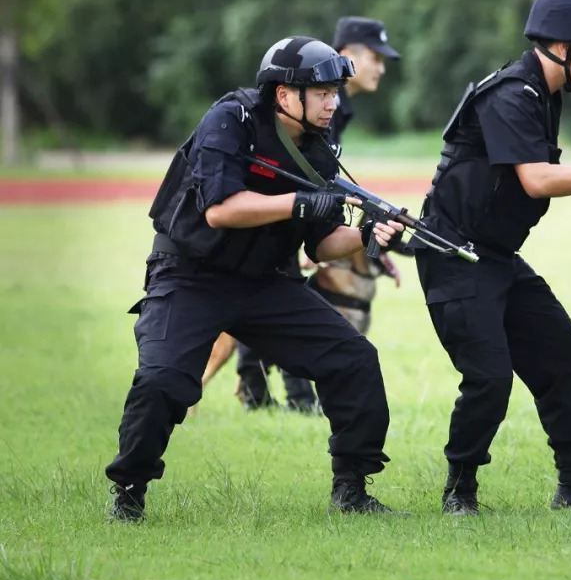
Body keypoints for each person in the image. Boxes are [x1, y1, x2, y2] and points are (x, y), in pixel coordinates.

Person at [105, 35, 405, 522]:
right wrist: (300, 202)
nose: (334, 102)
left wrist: (368, 234)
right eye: (323, 93)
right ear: (286, 95)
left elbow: (321, 245)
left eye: (335, 92)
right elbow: (222, 210)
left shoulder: (321, 147)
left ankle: (352, 491)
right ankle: (129, 493)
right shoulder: (230, 120)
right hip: (189, 275)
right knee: (163, 380)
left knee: (354, 360)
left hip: (266, 283)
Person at [410, 0, 571, 515]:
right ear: (563, 44)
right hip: (454, 254)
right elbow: (537, 179)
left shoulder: (545, 94)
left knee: (561, 353)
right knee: (490, 376)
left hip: (495, 255)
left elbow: (538, 174)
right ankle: (460, 491)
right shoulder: (513, 94)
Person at [223, 17, 405, 410]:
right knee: (264, 299)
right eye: (375, 56)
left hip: (290, 223)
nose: (381, 67)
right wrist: (308, 215)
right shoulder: (314, 108)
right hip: (263, 225)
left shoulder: (334, 106)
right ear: (347, 54)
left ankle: (259, 391)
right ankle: (276, 394)